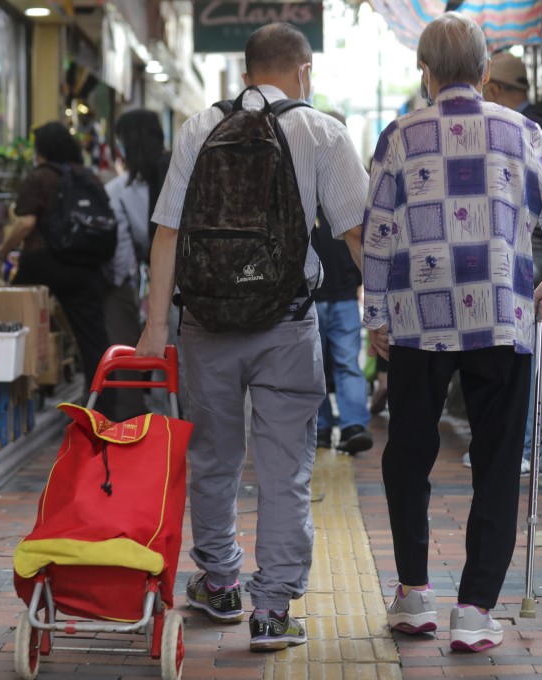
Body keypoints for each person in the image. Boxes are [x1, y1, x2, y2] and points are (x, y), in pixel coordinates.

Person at [134, 23, 369, 652]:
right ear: (304, 71)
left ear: (244, 73)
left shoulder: (197, 127)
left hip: (205, 322)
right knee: (284, 469)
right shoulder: (322, 131)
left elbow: (166, 233)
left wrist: (156, 326)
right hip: (287, 324)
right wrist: (391, 315)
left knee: (212, 459)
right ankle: (271, 611)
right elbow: (358, 234)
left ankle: (219, 583)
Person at [361, 13, 542, 652]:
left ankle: (412, 594)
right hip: (500, 316)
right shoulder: (521, 131)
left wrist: (375, 316)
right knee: (495, 462)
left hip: (418, 320)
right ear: (486, 71)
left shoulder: (400, 136)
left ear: (424, 71)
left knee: (408, 451)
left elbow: (377, 231)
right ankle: (474, 608)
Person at [462, 51, 542, 475]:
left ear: (493, 89)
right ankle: (518, 445)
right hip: (539, 249)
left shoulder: (528, 129)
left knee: (522, 350)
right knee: (519, 349)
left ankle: (526, 448)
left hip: (534, 249)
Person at [0, 122, 115, 416]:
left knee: (13, 323)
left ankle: (14, 400)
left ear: (41, 149)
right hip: (86, 265)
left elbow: (26, 223)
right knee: (94, 340)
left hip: (44, 262)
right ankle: (104, 409)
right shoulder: (88, 176)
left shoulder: (40, 176)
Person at [104, 109, 174, 421]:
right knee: (186, 361)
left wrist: (130, 291)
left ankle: (162, 427)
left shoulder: (118, 190)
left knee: (160, 358)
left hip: (158, 281)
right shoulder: (180, 175)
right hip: (194, 283)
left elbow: (121, 255)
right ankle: (191, 427)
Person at [311, 116, 373, 454]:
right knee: (336, 363)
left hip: (338, 295)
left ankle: (347, 425)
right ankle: (337, 425)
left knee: (326, 364)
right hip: (328, 295)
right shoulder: (350, 182)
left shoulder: (314, 179)